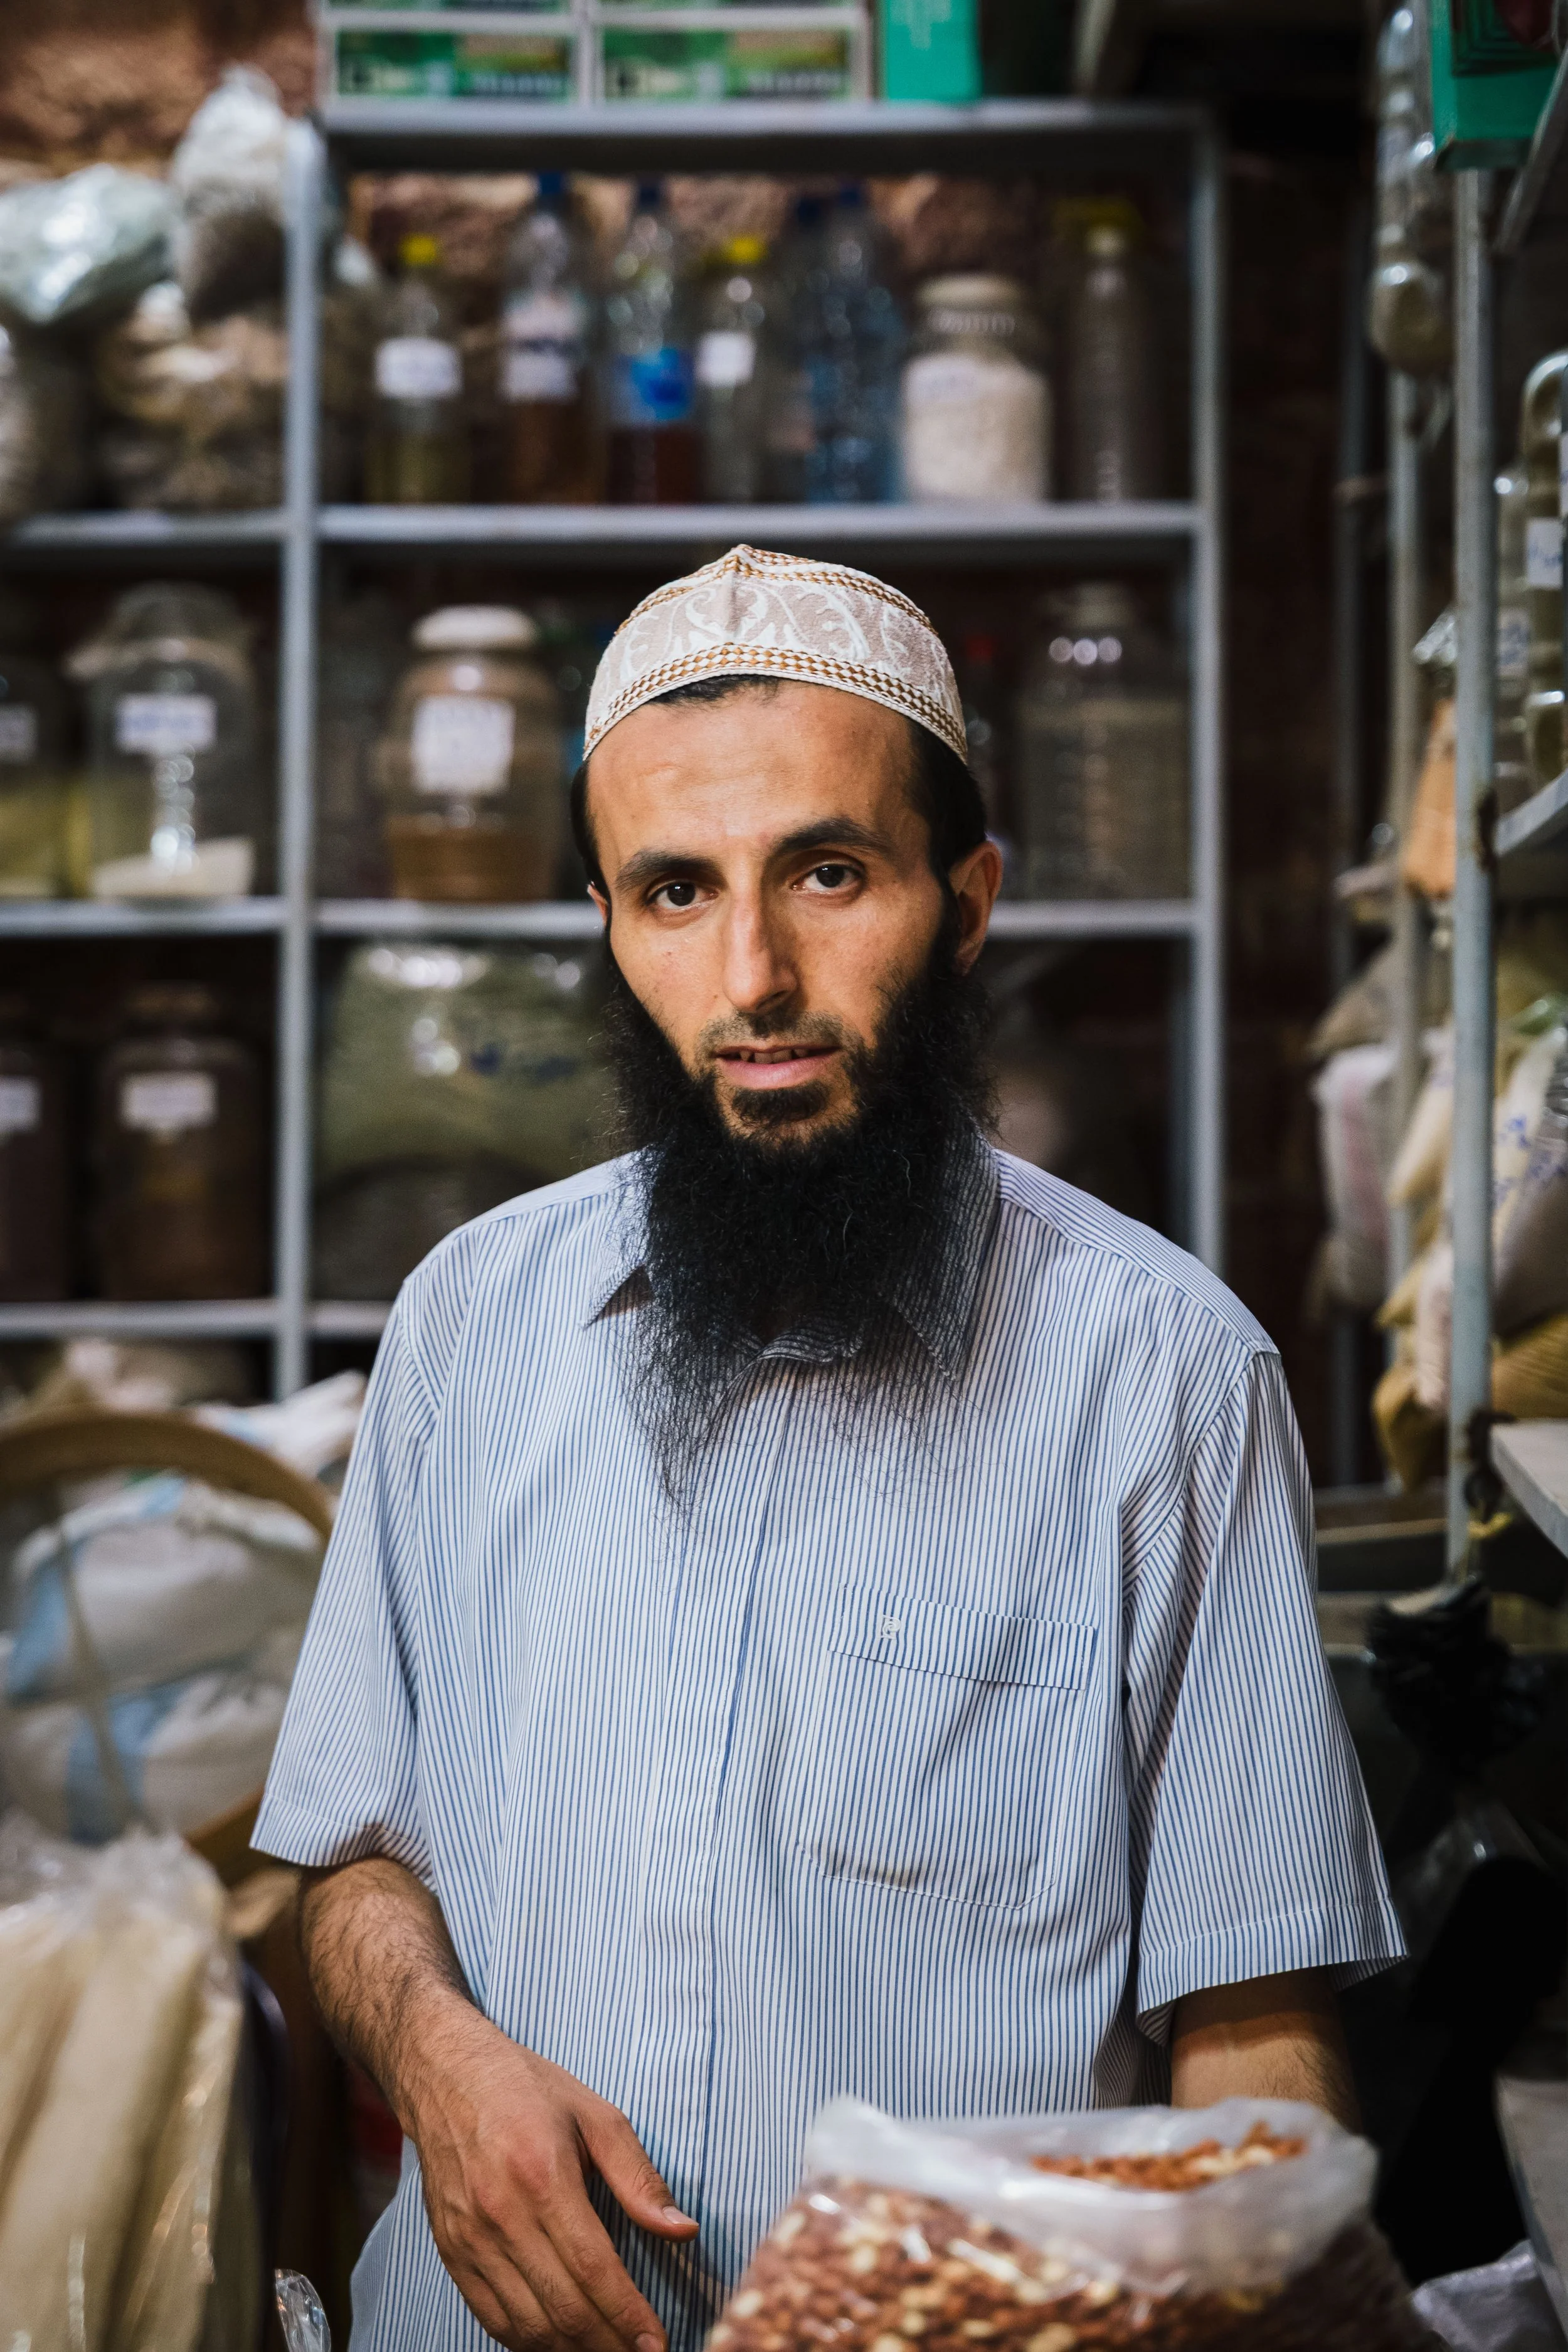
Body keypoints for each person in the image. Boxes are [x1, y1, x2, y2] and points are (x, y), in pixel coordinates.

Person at [256, 545, 1402, 2352]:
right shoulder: (466, 1328)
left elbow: (1248, 2023)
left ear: (965, 904)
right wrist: (440, 2055)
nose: (753, 974)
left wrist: (1236, 2267)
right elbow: (353, 1857)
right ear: (612, 930)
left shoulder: (1163, 1374)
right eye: (673, 890)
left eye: (827, 872)